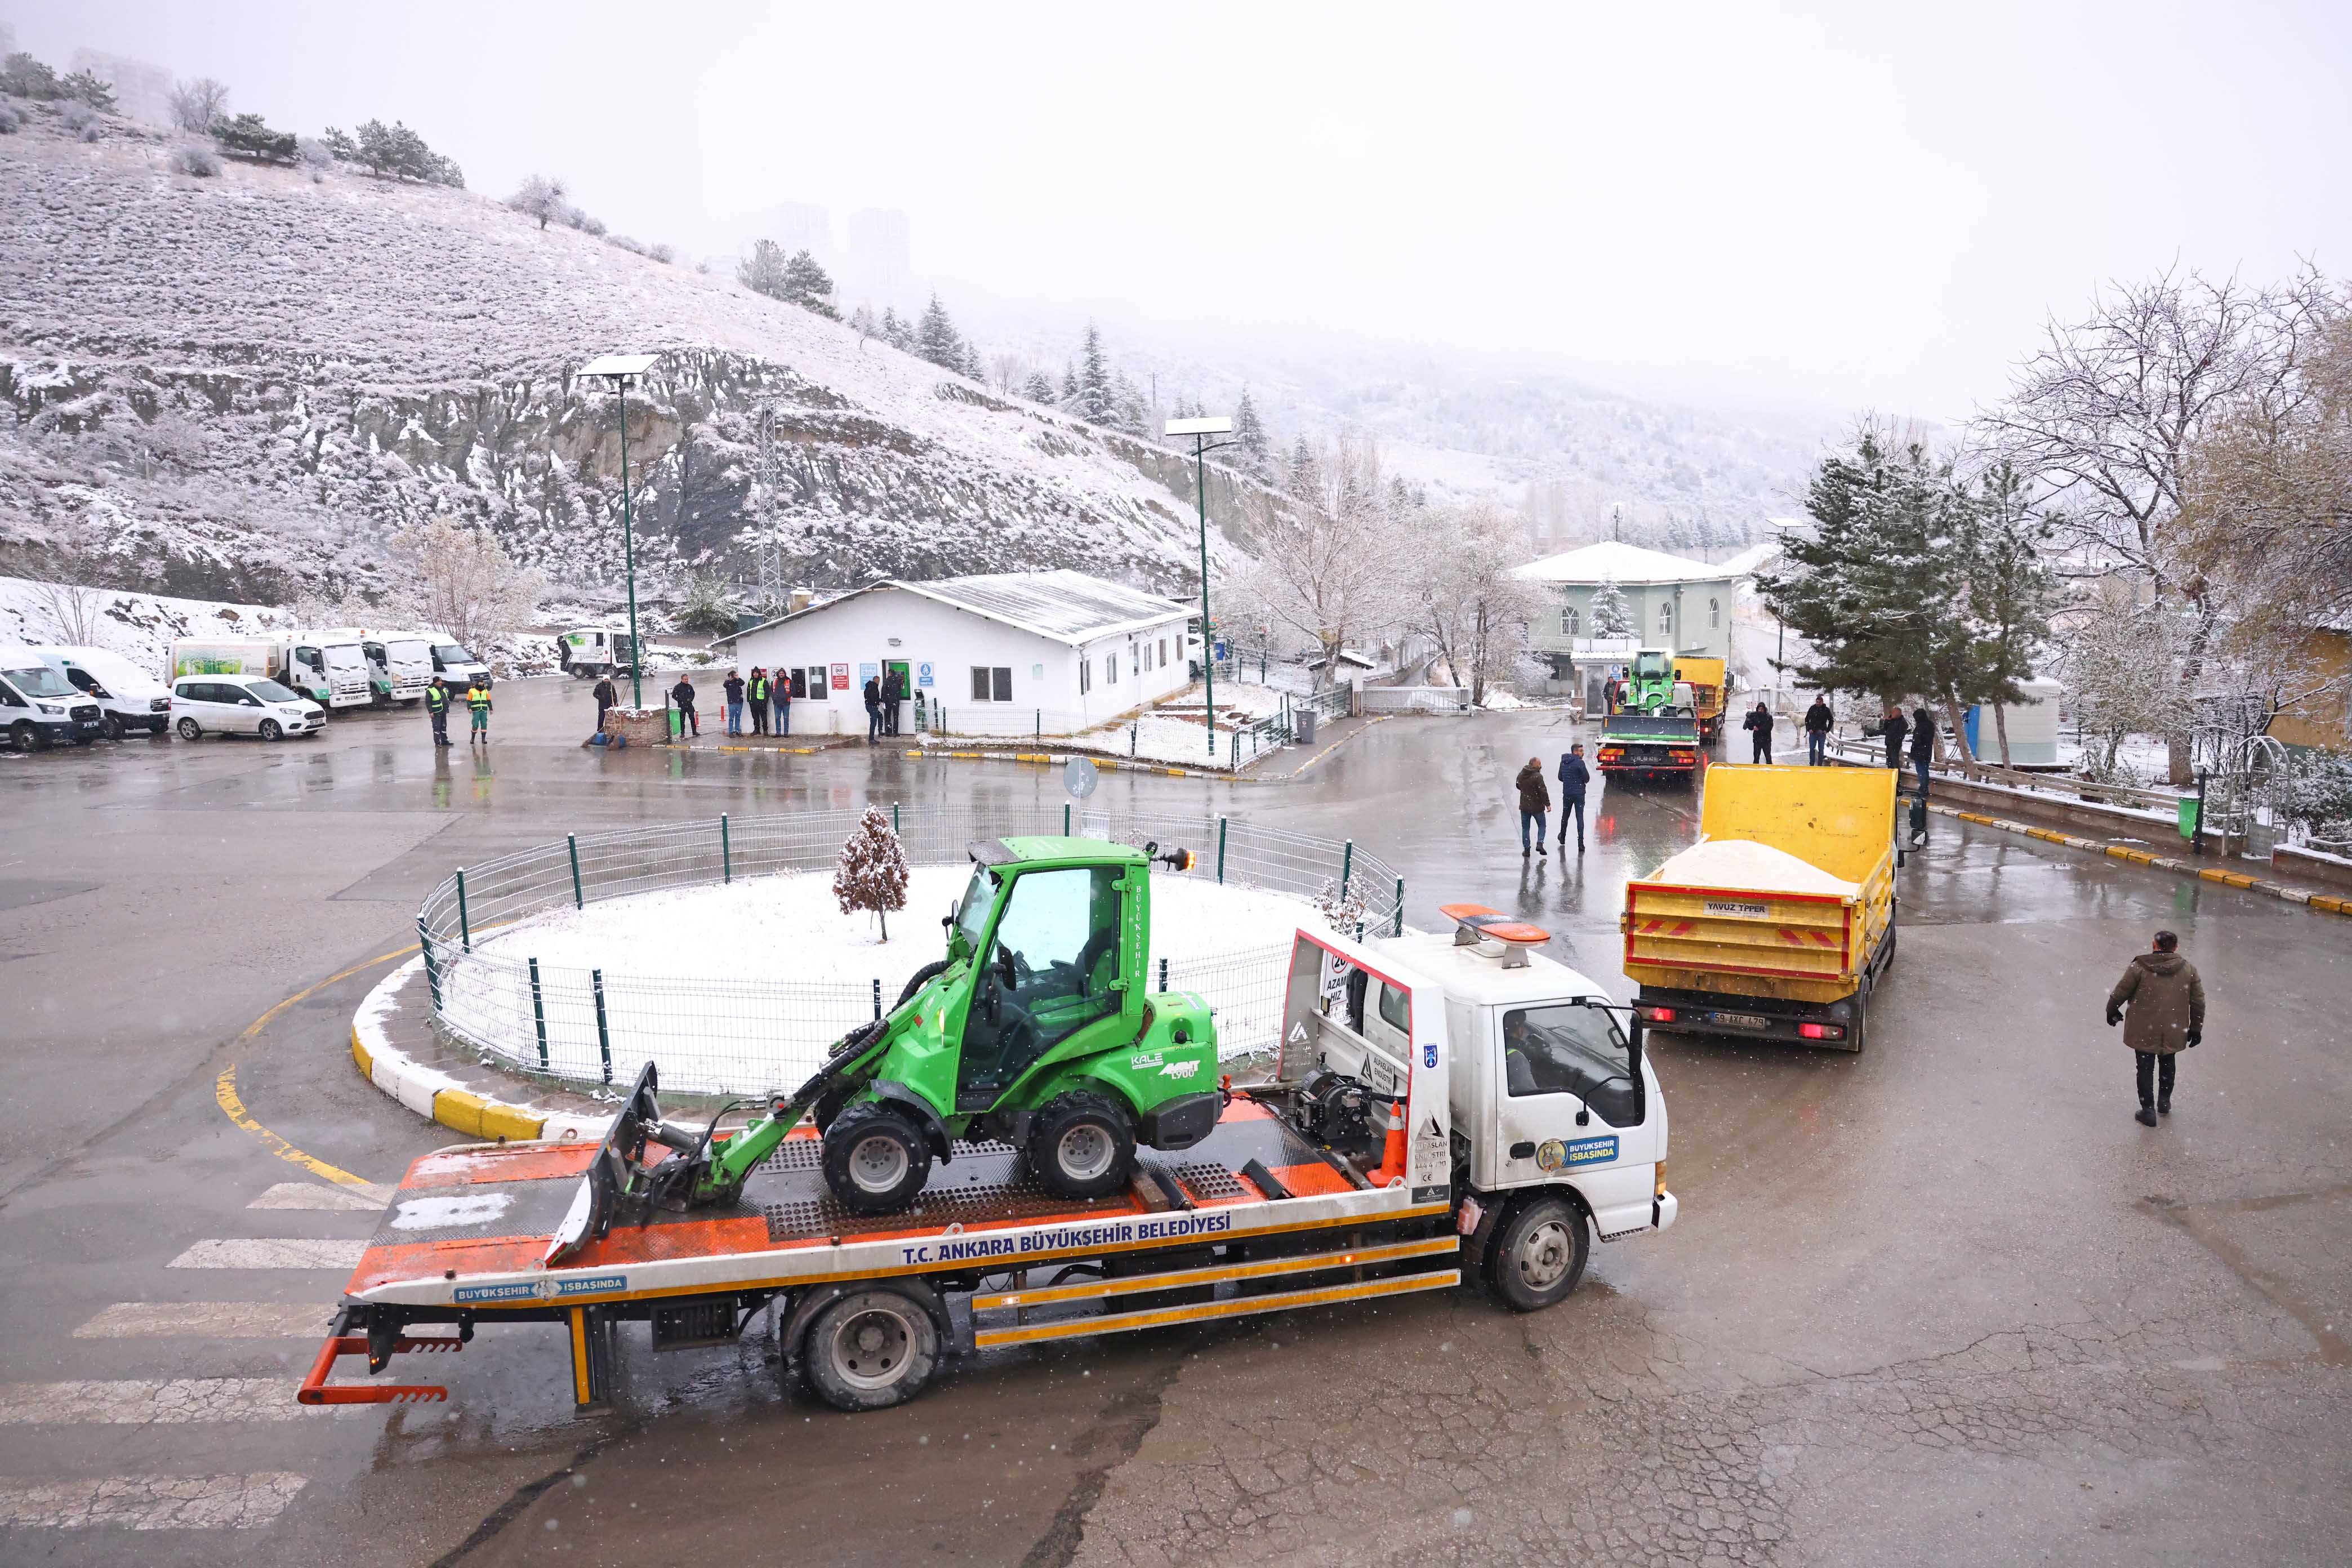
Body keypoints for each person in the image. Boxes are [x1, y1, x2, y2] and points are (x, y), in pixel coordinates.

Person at [2106, 929, 2204, 1126]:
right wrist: (2196, 1028)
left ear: (2154, 945)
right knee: (2168, 1061)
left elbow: (2120, 993)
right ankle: (2165, 1102)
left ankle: (2148, 1111)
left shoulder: (2139, 967)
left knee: (2144, 1067)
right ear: (2176, 948)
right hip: (2173, 1028)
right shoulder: (2188, 969)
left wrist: (2112, 1010)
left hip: (2144, 1028)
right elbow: (2198, 1001)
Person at [1556, 742, 1591, 852]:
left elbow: (1560, 777)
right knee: (1579, 817)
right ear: (1575, 752)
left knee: (1565, 815)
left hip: (1567, 793)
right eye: (1581, 751)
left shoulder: (1564, 762)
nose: (1583, 753)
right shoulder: (1580, 763)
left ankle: (1563, 837)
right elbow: (1587, 778)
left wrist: (1569, 781)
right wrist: (1579, 780)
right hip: (1579, 794)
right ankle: (1581, 843)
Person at [1515, 756, 1551, 857]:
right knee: (1542, 825)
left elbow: (1518, 785)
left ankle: (1527, 850)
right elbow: (1543, 791)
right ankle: (1540, 843)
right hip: (1537, 807)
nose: (1541, 766)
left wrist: (1526, 791)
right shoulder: (1538, 776)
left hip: (1524, 806)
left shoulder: (1522, 774)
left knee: (1526, 828)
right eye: (1539, 764)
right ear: (1535, 765)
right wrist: (1547, 804)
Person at [1910, 704, 1936, 797]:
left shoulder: (1922, 726)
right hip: (1926, 751)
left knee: (1922, 771)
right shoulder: (1929, 725)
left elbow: (1917, 740)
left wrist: (1914, 751)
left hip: (1920, 752)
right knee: (1924, 770)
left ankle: (1923, 789)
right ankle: (1923, 788)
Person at [1879, 702, 1909, 774]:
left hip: (1895, 745)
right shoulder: (1892, 721)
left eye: (1893, 713)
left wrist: (1895, 741)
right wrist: (1887, 720)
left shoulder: (1902, 722)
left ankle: (1897, 779)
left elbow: (1901, 735)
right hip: (1889, 744)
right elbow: (1886, 730)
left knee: (1895, 763)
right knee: (1890, 762)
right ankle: (1891, 775)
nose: (1891, 714)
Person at [1742, 700, 1774, 765]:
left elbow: (1769, 728)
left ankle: (1770, 772)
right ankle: (1755, 772)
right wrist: (1752, 727)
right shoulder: (1755, 716)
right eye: (1759, 709)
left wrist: (1759, 729)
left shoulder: (1768, 717)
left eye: (1762, 709)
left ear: (1764, 709)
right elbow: (1749, 724)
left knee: (1768, 758)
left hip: (1766, 741)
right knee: (1756, 758)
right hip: (1757, 740)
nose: (1760, 710)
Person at [1804, 695, 1833, 765]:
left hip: (1822, 733)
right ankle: (1812, 764)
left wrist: (1827, 730)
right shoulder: (1812, 708)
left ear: (1822, 702)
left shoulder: (1826, 710)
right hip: (1813, 733)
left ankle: (1820, 765)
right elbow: (1807, 719)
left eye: (1819, 702)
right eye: (1817, 702)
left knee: (1821, 750)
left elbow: (1831, 720)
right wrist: (1809, 729)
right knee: (1812, 749)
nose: (1818, 703)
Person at [424, 678, 451, 747]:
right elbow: (428, 702)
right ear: (435, 682)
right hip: (436, 712)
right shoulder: (430, 690)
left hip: (443, 711)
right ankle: (437, 743)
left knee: (444, 726)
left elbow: (446, 697)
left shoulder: (443, 689)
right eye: (439, 681)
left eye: (441, 681)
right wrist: (431, 712)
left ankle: (444, 741)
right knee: (437, 727)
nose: (441, 683)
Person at [670, 673, 698, 738]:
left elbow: (693, 694)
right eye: (685, 679)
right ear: (682, 680)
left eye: (687, 679)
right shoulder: (678, 687)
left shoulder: (689, 686)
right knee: (682, 720)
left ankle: (694, 732)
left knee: (692, 719)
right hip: (682, 706)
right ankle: (682, 733)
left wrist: (690, 699)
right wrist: (679, 700)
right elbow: (674, 696)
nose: (687, 681)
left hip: (689, 705)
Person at [591, 672, 617, 742]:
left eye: (607, 680)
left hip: (610, 706)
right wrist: (601, 697)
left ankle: (610, 732)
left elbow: (614, 696)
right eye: (605, 679)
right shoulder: (599, 686)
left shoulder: (612, 687)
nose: (606, 681)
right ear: (603, 680)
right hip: (602, 706)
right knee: (601, 719)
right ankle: (600, 731)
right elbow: (594, 694)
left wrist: (616, 704)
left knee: (610, 720)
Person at [465, 679, 492, 746]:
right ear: (477, 683)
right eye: (480, 683)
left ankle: (483, 739)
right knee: (475, 724)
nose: (481, 684)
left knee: (484, 724)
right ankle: (473, 738)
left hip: (484, 710)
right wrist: (469, 708)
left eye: (482, 683)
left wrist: (491, 709)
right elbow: (469, 700)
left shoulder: (485, 691)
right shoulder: (472, 690)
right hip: (476, 710)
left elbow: (488, 700)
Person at [882, 666, 906, 736]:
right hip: (896, 701)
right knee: (896, 717)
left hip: (888, 702)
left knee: (888, 717)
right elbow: (901, 689)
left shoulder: (886, 681)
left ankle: (889, 732)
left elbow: (884, 692)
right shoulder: (898, 681)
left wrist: (883, 700)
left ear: (889, 674)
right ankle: (895, 732)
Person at [748, 667, 770, 737]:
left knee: (764, 717)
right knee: (755, 717)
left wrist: (765, 701)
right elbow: (749, 691)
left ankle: (765, 730)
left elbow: (767, 692)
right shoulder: (751, 681)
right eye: (754, 673)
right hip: (753, 703)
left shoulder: (764, 681)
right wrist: (749, 700)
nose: (755, 674)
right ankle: (757, 730)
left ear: (759, 674)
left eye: (757, 673)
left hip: (761, 702)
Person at [723, 669, 745, 736]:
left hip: (739, 702)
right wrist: (730, 679)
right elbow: (724, 685)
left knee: (738, 717)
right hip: (732, 703)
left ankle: (738, 730)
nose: (732, 677)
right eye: (731, 676)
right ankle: (731, 732)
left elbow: (743, 683)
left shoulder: (738, 681)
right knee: (731, 718)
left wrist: (738, 678)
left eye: (733, 675)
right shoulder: (727, 683)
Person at [862, 673, 883, 744]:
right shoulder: (874, 687)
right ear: (876, 680)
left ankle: (880, 731)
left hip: (869, 706)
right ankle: (871, 739)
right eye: (879, 681)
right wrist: (879, 701)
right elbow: (874, 697)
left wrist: (878, 700)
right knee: (873, 723)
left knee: (880, 716)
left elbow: (868, 696)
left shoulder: (869, 687)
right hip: (872, 707)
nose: (879, 682)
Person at [773, 670, 791, 736]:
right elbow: (771, 691)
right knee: (777, 718)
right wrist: (774, 697)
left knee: (786, 718)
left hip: (786, 703)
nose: (781, 674)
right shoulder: (775, 681)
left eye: (783, 673)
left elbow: (793, 691)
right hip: (777, 703)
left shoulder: (789, 681)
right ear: (778, 674)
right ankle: (778, 733)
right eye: (780, 673)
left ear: (785, 674)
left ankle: (786, 733)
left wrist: (786, 697)